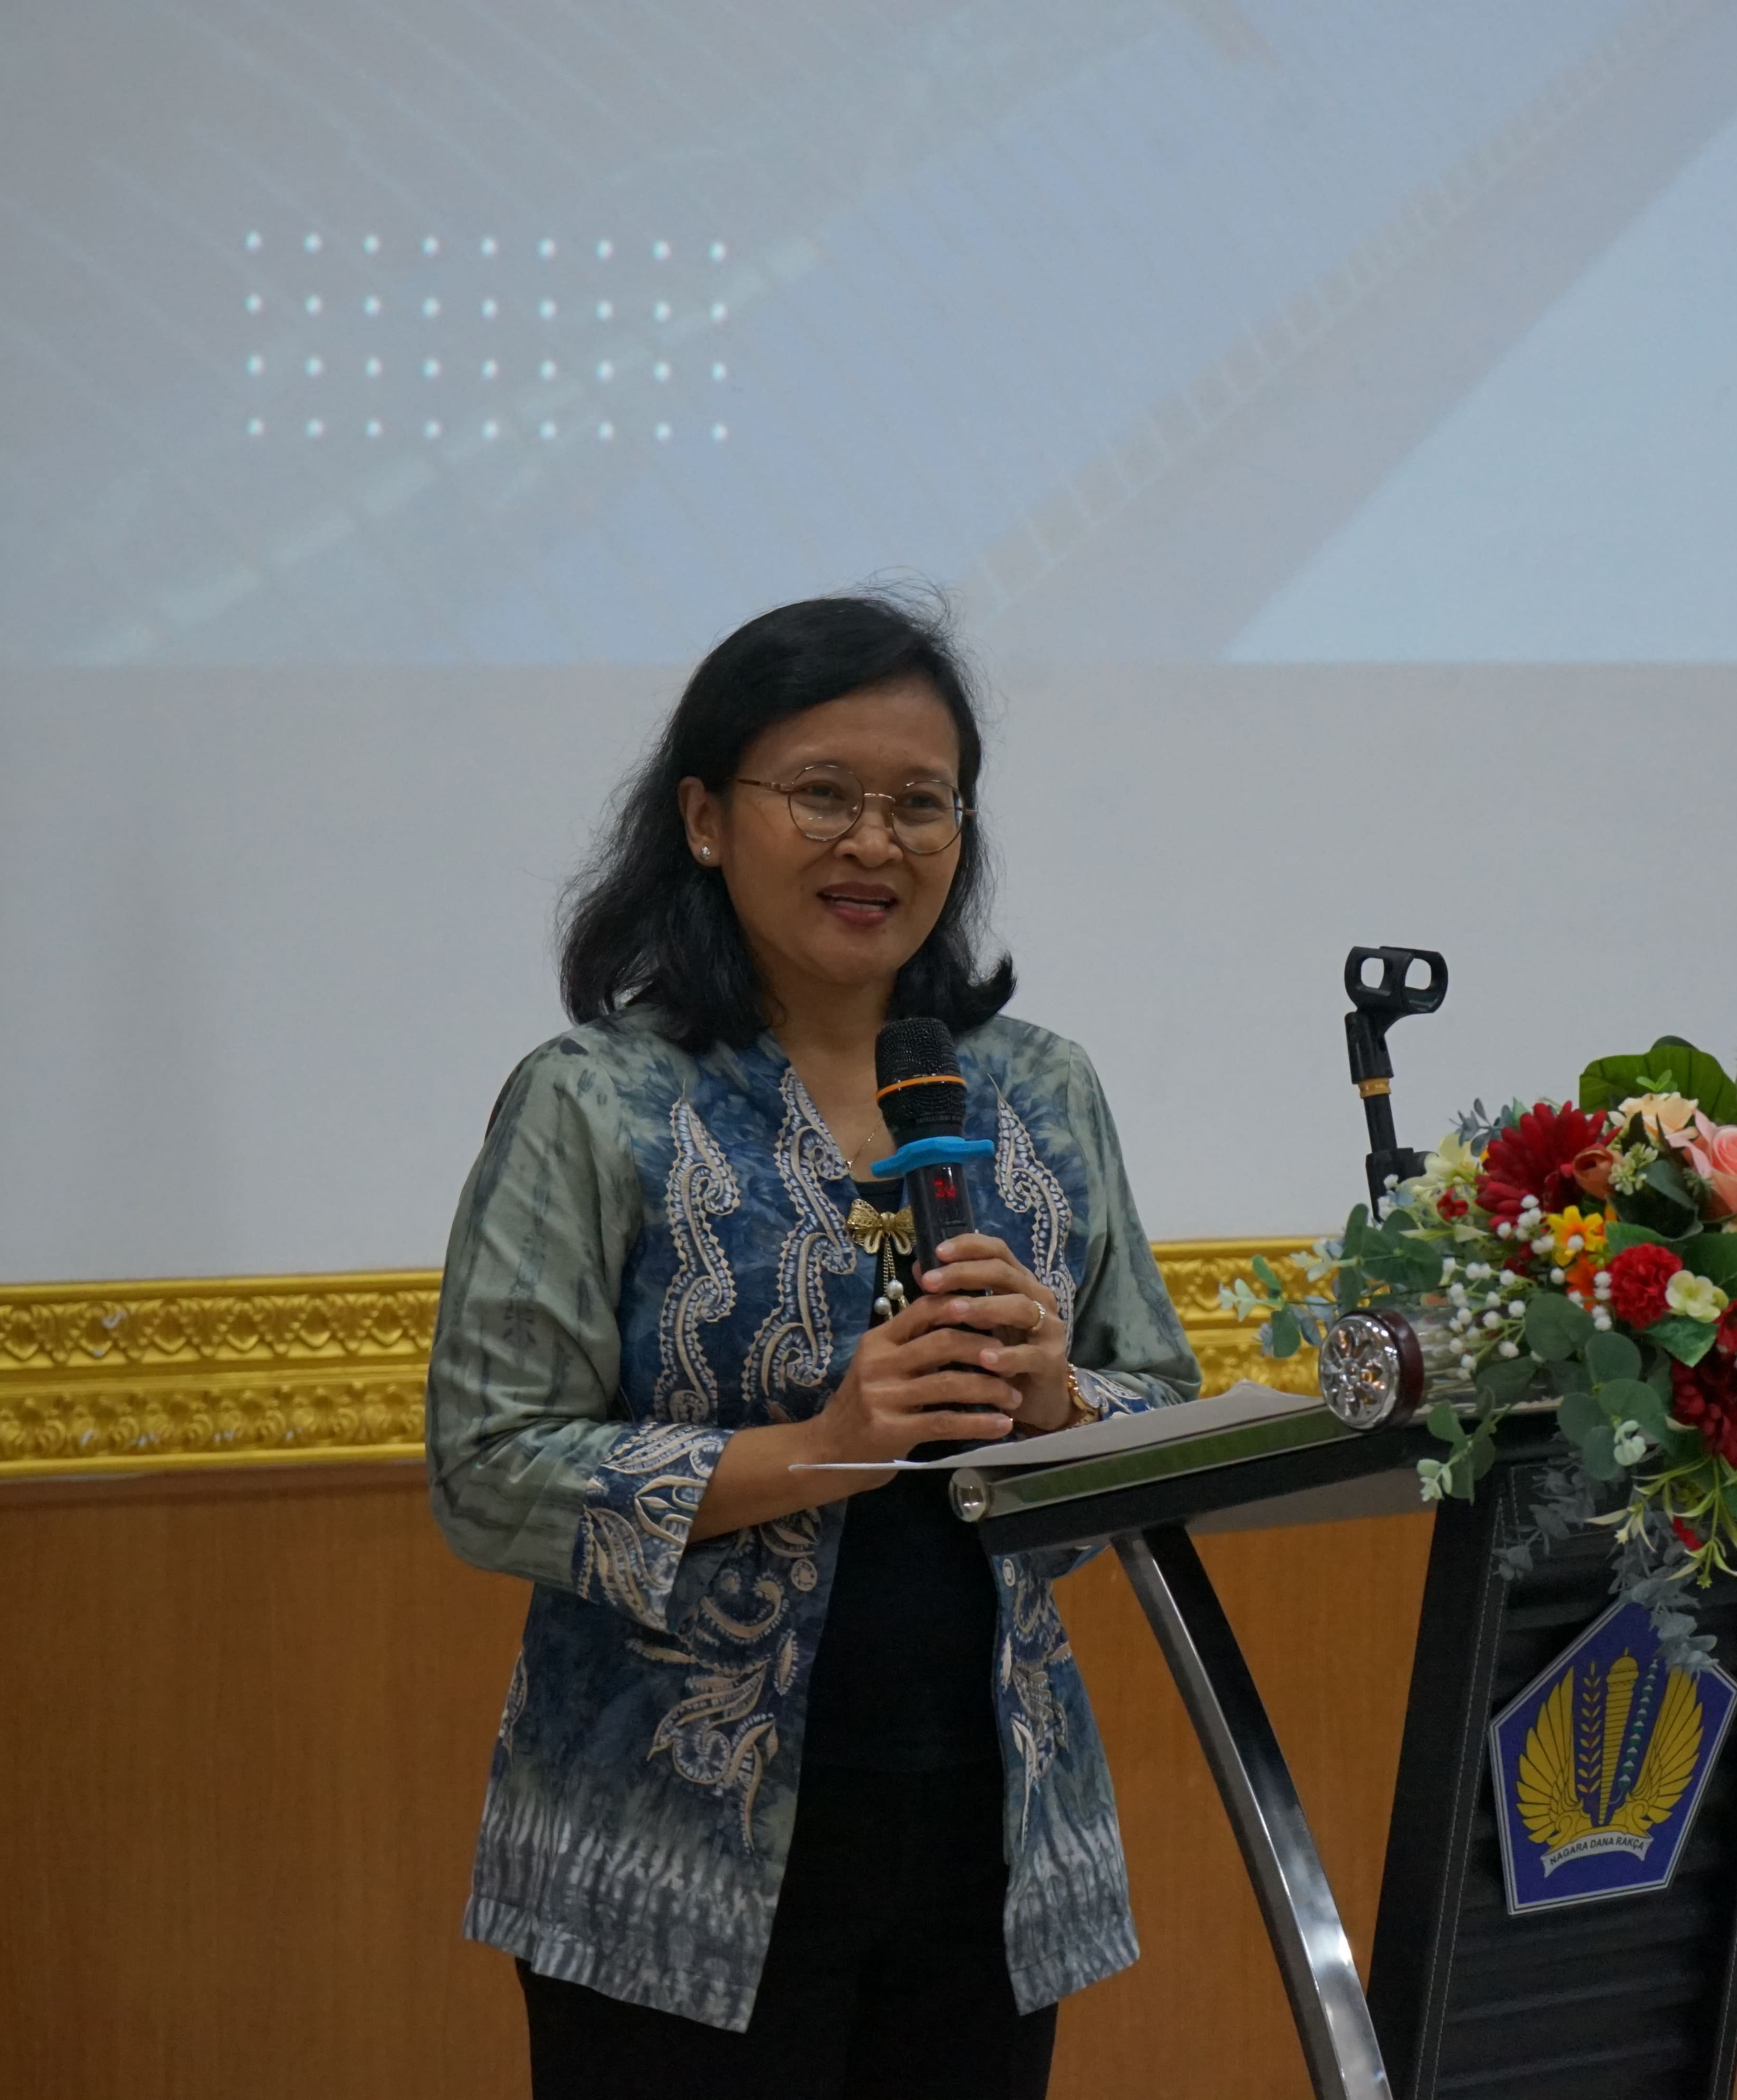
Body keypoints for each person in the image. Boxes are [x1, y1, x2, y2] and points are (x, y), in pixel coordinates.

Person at [424, 591, 1198, 2100]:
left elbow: (1156, 1402)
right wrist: (821, 1451)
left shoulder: (1041, 1089)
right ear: (706, 820)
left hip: (989, 1833)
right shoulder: (594, 1100)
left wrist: (1058, 1404)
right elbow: (489, 1467)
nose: (874, 844)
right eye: (824, 795)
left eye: (921, 804)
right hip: (670, 1846)